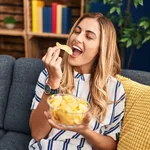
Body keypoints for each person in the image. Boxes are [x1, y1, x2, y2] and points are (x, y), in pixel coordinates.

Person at [29, 12, 125, 150]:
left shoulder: (115, 88)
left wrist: (84, 130)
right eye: (77, 31)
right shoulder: (48, 74)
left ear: (101, 49)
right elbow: (37, 134)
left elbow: (110, 146)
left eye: (89, 36)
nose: (77, 38)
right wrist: (53, 82)